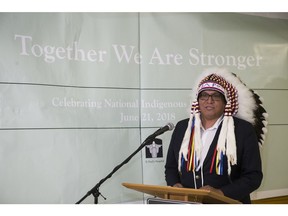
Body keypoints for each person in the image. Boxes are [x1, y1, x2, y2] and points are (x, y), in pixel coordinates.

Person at [165, 68, 268, 204]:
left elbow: (253, 177)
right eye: (204, 96)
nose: (209, 101)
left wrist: (221, 193)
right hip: (188, 204)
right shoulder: (182, 128)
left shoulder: (243, 130)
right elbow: (171, 167)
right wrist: (175, 185)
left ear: (225, 101)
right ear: (198, 100)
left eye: (216, 96)